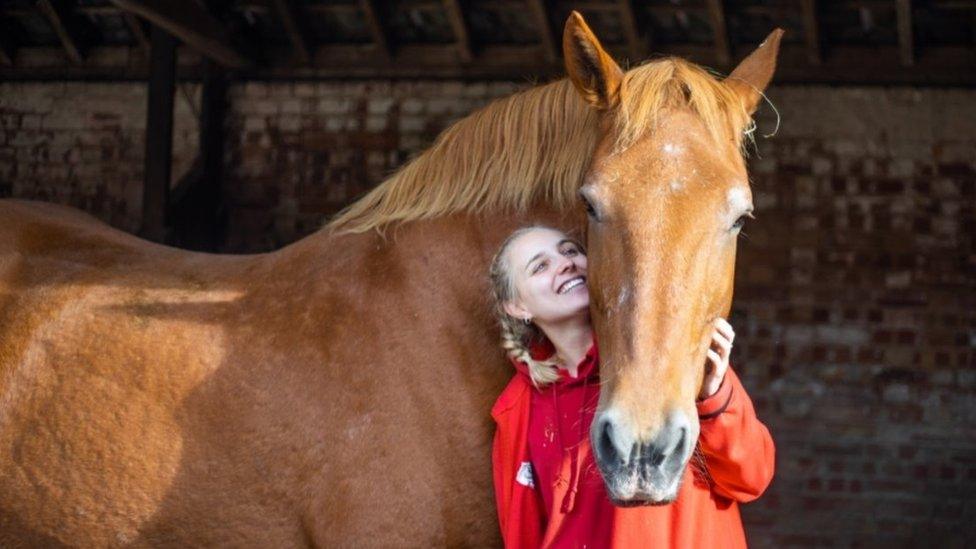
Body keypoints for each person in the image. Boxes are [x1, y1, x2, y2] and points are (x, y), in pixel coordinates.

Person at [488, 225, 775, 548]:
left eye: (570, 251)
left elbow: (751, 477)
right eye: (540, 266)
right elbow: (524, 536)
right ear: (517, 307)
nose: (565, 263)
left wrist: (714, 398)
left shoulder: (666, 354)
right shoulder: (517, 411)